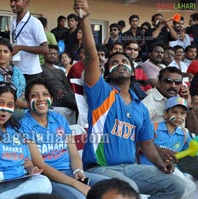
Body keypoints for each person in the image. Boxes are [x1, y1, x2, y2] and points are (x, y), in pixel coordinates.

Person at [74, 0, 185, 198]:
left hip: (130, 167)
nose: (120, 64)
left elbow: (147, 144)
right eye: (114, 62)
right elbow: (91, 58)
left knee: (175, 185)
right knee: (128, 188)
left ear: (133, 72)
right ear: (107, 71)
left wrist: (161, 164)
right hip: (99, 169)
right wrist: (84, 17)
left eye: (125, 61)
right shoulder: (101, 93)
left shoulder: (140, 107)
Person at [20, 78, 109, 199]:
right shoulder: (24, 125)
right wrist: (76, 184)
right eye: (34, 95)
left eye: (45, 94)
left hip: (70, 172)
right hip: (48, 179)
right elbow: (41, 165)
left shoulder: (59, 119)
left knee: (111, 188)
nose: (41, 99)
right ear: (27, 100)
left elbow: (73, 153)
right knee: (80, 197)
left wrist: (78, 171)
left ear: (51, 99)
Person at [140, 96, 196, 199]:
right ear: (166, 114)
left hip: (171, 169)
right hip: (148, 167)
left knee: (191, 187)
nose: (179, 116)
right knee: (143, 195)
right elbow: (139, 146)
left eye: (182, 113)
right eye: (174, 112)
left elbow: (192, 149)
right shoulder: (153, 127)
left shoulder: (184, 134)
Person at [10, 0, 48, 84]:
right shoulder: (12, 22)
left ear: (26, 2)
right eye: (11, 1)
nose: (12, 4)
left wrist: (21, 48)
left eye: (16, 1)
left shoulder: (34, 23)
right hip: (17, 70)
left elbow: (45, 49)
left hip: (32, 72)